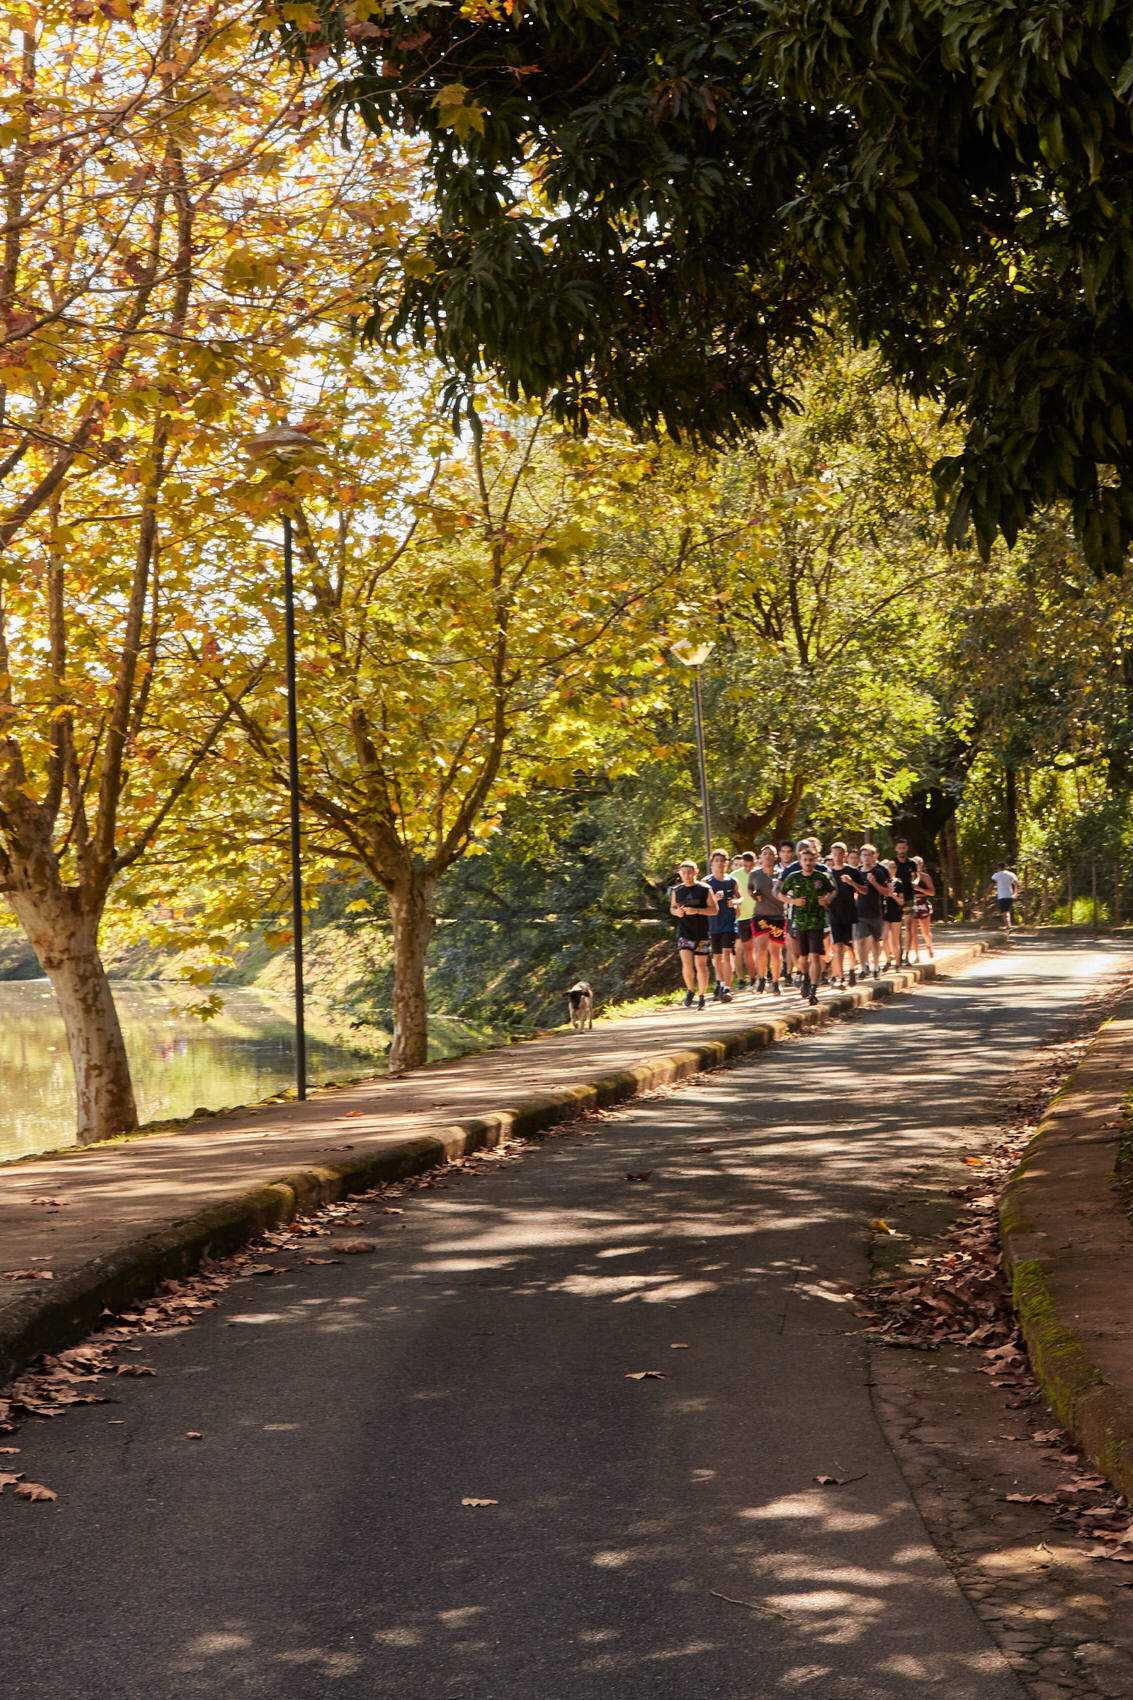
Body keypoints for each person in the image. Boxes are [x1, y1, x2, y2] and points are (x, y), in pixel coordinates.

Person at [778, 843, 836, 1005]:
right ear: (800, 861)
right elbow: (779, 893)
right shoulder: (793, 877)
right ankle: (805, 977)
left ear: (815, 860)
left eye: (811, 860)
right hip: (800, 922)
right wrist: (793, 901)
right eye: (805, 860)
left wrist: (827, 899)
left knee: (815, 955)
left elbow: (833, 890)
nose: (808, 863)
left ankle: (813, 990)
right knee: (802, 957)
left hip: (817, 922)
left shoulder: (821, 877)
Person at [669, 860, 718, 1009]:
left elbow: (714, 910)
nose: (686, 875)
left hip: (701, 933)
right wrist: (677, 912)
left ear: (695, 872)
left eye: (689, 872)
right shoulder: (677, 890)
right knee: (687, 963)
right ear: (680, 873)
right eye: (683, 873)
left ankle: (702, 996)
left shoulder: (705, 889)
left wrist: (696, 910)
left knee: (701, 965)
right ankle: (690, 990)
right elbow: (672, 908)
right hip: (684, 933)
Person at [848, 844, 890, 977]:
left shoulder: (878, 872)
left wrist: (874, 883)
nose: (866, 858)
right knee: (861, 940)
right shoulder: (856, 872)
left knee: (876, 940)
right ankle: (863, 967)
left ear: (873, 856)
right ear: (860, 857)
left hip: (876, 911)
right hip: (860, 911)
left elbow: (887, 892)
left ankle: (876, 966)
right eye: (864, 855)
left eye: (869, 855)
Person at [704, 848, 740, 1001]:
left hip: (728, 923)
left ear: (726, 864)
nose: (719, 864)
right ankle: (720, 982)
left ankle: (727, 988)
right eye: (716, 861)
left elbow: (740, 898)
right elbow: (702, 903)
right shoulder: (706, 882)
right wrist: (714, 899)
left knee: (727, 954)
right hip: (713, 923)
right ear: (711, 864)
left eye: (722, 861)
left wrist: (735, 902)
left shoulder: (732, 881)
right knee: (717, 957)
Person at [749, 844, 785, 994]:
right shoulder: (755, 874)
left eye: (771, 854)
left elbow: (788, 891)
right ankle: (761, 979)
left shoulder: (782, 874)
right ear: (760, 857)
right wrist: (754, 895)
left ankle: (775, 982)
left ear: (776, 857)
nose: (768, 856)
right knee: (761, 949)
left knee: (775, 952)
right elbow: (750, 888)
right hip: (760, 915)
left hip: (777, 916)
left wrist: (779, 888)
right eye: (765, 854)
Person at [825, 841, 859, 987]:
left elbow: (864, 890)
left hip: (849, 914)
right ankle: (841, 977)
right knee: (837, 946)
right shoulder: (828, 874)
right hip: (834, 914)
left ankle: (852, 969)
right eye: (835, 855)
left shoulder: (852, 871)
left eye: (840, 854)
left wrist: (852, 883)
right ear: (831, 855)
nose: (837, 857)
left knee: (849, 947)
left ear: (845, 855)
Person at [891, 837, 917, 966]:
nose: (902, 850)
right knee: (897, 928)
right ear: (896, 849)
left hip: (909, 898)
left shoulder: (912, 863)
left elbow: (916, 877)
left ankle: (907, 956)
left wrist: (915, 882)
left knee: (908, 927)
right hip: (896, 899)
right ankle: (898, 954)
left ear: (907, 849)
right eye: (899, 848)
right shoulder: (892, 863)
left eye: (904, 848)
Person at [734, 851, 759, 988]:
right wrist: (735, 907)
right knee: (748, 950)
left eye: (751, 865)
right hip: (743, 917)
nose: (748, 868)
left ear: (755, 862)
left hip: (759, 915)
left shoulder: (760, 874)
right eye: (745, 866)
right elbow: (732, 895)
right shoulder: (735, 876)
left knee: (760, 947)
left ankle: (762, 976)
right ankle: (753, 978)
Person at [911, 856, 935, 961]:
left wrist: (919, 889)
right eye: (915, 863)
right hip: (912, 904)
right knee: (913, 931)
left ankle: (929, 945)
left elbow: (932, 892)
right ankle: (916, 955)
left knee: (925, 930)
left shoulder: (926, 877)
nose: (917, 865)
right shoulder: (908, 876)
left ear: (922, 865)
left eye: (919, 863)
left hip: (922, 903)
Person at [881, 859, 904, 968]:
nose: (891, 869)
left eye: (894, 867)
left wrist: (893, 895)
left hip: (895, 913)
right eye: (889, 867)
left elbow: (901, 901)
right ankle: (888, 960)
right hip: (884, 913)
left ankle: (897, 963)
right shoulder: (882, 882)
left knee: (894, 941)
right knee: (884, 938)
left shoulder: (899, 883)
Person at [988, 862, 1019, 934]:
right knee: (1007, 911)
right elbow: (1016, 884)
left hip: (1002, 896)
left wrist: (987, 894)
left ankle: (1008, 927)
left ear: (998, 867)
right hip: (1009, 895)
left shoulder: (996, 875)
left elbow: (991, 885)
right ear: (1005, 867)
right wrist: (1015, 893)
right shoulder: (1011, 874)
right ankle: (1009, 926)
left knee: (1004, 912)